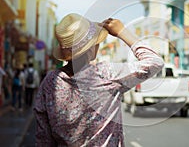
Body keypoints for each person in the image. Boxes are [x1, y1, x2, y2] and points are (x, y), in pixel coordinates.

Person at [34, 13, 164, 146]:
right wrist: (122, 32)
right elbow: (155, 62)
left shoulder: (50, 82)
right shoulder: (106, 75)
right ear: (90, 49)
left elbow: (43, 138)